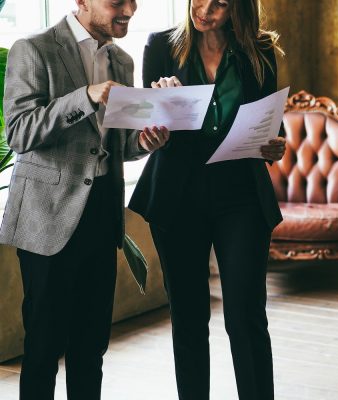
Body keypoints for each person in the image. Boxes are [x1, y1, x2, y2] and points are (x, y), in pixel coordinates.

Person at [0, 0, 170, 398]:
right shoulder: (35, 48)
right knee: (43, 347)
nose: (129, 9)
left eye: (133, 1)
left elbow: (121, 143)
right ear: (81, 1)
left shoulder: (123, 62)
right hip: (47, 217)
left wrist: (147, 142)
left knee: (91, 348)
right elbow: (20, 134)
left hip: (101, 217)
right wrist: (86, 96)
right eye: (117, 2)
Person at [127, 0, 286, 398]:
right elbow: (149, 126)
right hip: (178, 196)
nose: (205, 9)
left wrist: (275, 145)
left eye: (220, 3)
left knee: (245, 315)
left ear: (238, 8)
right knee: (189, 318)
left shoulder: (259, 50)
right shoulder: (160, 46)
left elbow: (272, 122)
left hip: (242, 196)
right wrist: (153, 131)